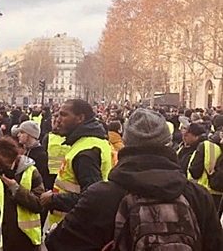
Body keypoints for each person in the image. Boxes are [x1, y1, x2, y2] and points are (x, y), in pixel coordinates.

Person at [45, 108, 223, 251]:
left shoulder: (102, 196)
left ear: (126, 142)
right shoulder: (198, 195)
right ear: (168, 143)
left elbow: (58, 243)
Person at [40, 99, 112, 228]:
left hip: (74, 228)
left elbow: (93, 198)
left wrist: (53, 199)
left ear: (80, 118)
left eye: (63, 115)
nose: (58, 119)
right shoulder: (90, 142)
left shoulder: (86, 152)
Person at [0, 136, 44, 251]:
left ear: (16, 159)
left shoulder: (31, 172)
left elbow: (40, 204)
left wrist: (15, 188)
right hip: (0, 238)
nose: (3, 170)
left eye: (6, 166)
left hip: (25, 239)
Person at [16, 120, 49, 187]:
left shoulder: (41, 155)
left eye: (22, 132)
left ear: (30, 135)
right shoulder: (23, 151)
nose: (18, 135)